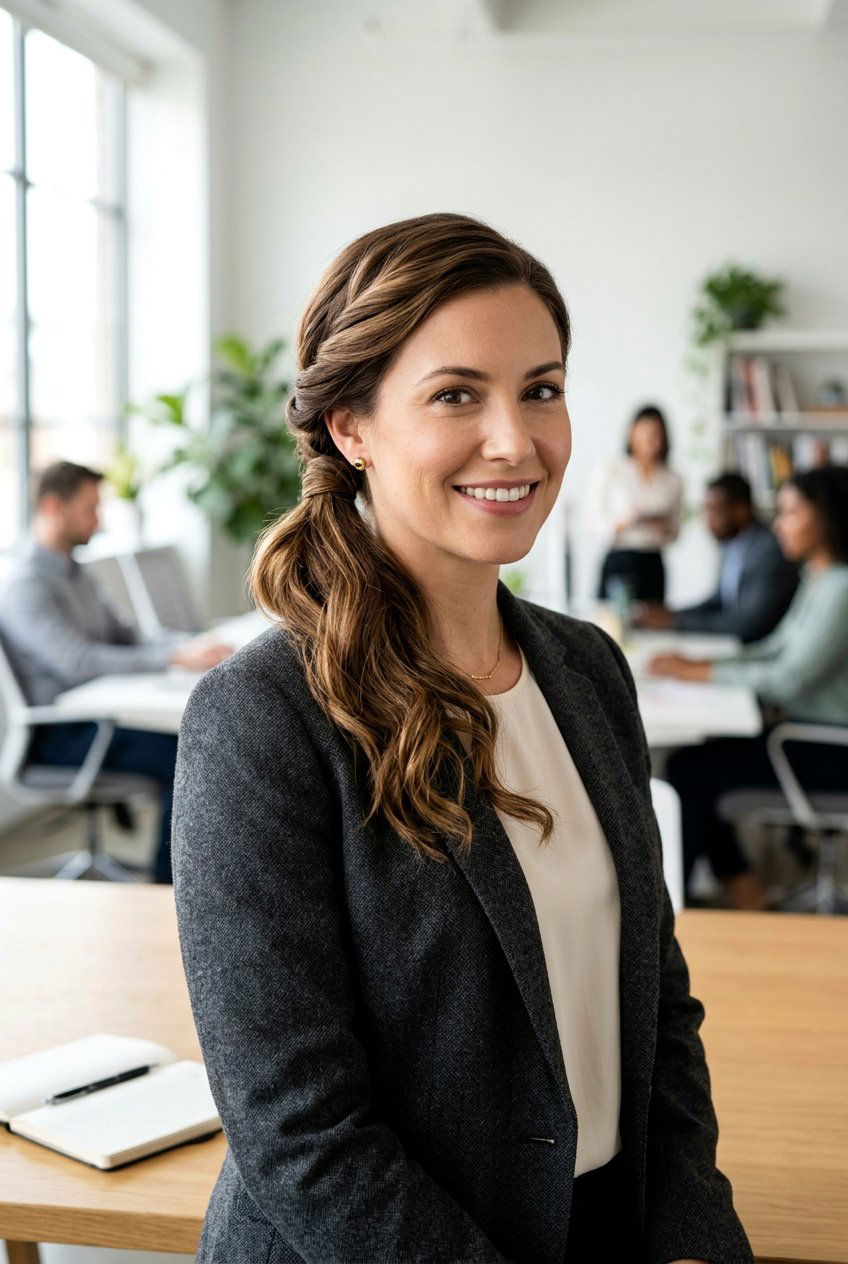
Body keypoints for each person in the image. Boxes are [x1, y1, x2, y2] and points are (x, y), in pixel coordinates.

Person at [172, 213, 751, 1263]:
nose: (515, 440)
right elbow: (301, 1133)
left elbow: (653, 999)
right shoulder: (263, 719)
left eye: (540, 388)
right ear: (351, 425)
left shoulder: (585, 671)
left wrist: (690, 1231)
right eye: (454, 395)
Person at [0, 461, 232, 883]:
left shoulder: (77, 573)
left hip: (99, 719)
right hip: (59, 736)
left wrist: (185, 649)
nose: (98, 519)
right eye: (90, 508)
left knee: (199, 737)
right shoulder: (24, 585)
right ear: (54, 506)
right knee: (189, 755)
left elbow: (126, 636)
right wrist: (171, 660)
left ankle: (194, 879)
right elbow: (78, 663)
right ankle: (170, 890)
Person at [650, 465, 848, 910]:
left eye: (792, 512)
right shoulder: (818, 579)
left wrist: (701, 674)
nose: (779, 524)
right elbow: (772, 650)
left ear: (828, 517)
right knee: (693, 766)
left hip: (829, 748)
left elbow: (789, 679)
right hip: (806, 736)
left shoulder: (841, 589)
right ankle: (745, 891)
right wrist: (703, 663)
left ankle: (668, 915)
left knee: (689, 773)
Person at [633, 471, 798, 643]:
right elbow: (719, 601)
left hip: (755, 650)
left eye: (715, 511)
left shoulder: (768, 551)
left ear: (741, 510)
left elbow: (747, 624)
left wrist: (675, 622)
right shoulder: (732, 545)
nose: (708, 521)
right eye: (706, 511)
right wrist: (670, 614)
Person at [590, 404, 683, 605]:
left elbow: (675, 532)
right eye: (644, 432)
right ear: (631, 434)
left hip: (653, 562)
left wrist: (661, 525)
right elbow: (597, 522)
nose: (650, 440)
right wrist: (628, 521)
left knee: (653, 625)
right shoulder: (612, 470)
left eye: (656, 434)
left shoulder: (673, 479)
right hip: (620, 559)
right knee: (613, 623)